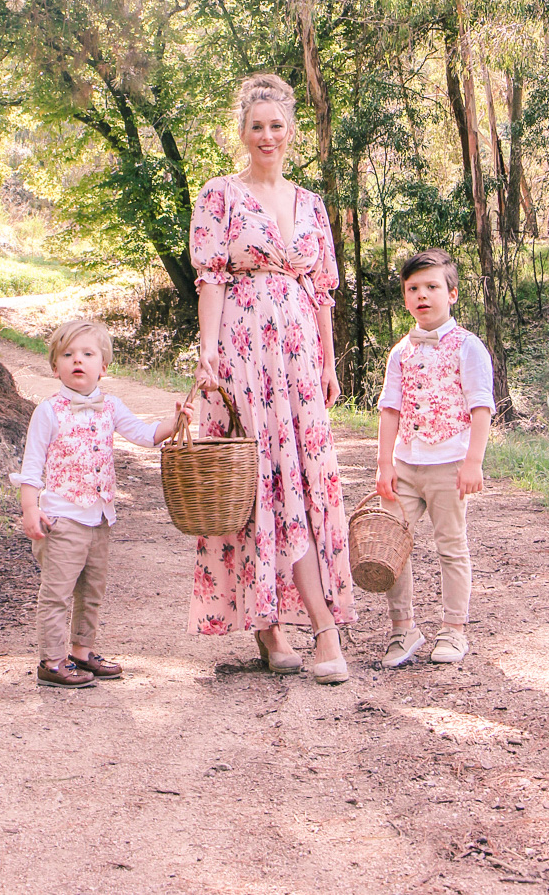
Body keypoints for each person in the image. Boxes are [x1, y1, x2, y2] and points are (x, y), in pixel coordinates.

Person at [187, 72, 355, 684]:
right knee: (261, 483)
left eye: (277, 126)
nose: (267, 135)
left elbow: (322, 291)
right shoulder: (220, 196)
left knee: (305, 484)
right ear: (242, 132)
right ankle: (281, 628)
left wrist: (330, 362)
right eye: (256, 126)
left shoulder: (311, 204)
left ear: (291, 132)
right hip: (244, 351)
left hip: (300, 360)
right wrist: (208, 352)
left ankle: (320, 625)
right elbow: (211, 278)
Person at [11, 318, 178, 687]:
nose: (78, 361)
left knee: (92, 589)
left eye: (88, 354)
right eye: (68, 354)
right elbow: (32, 466)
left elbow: (146, 434)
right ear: (55, 366)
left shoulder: (110, 406)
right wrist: (30, 509)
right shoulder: (48, 411)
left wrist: (175, 422)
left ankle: (81, 651)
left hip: (99, 517)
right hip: (61, 518)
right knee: (57, 592)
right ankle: (51, 660)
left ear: (104, 366)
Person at [375, 248, 494, 667]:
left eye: (432, 287)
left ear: (453, 294)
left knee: (451, 546)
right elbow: (390, 408)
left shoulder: (469, 347)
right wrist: (385, 464)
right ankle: (402, 628)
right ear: (405, 298)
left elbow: (481, 407)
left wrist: (472, 462)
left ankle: (454, 629)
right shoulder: (399, 352)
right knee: (393, 545)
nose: (422, 295)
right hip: (406, 464)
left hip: (449, 464)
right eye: (413, 289)